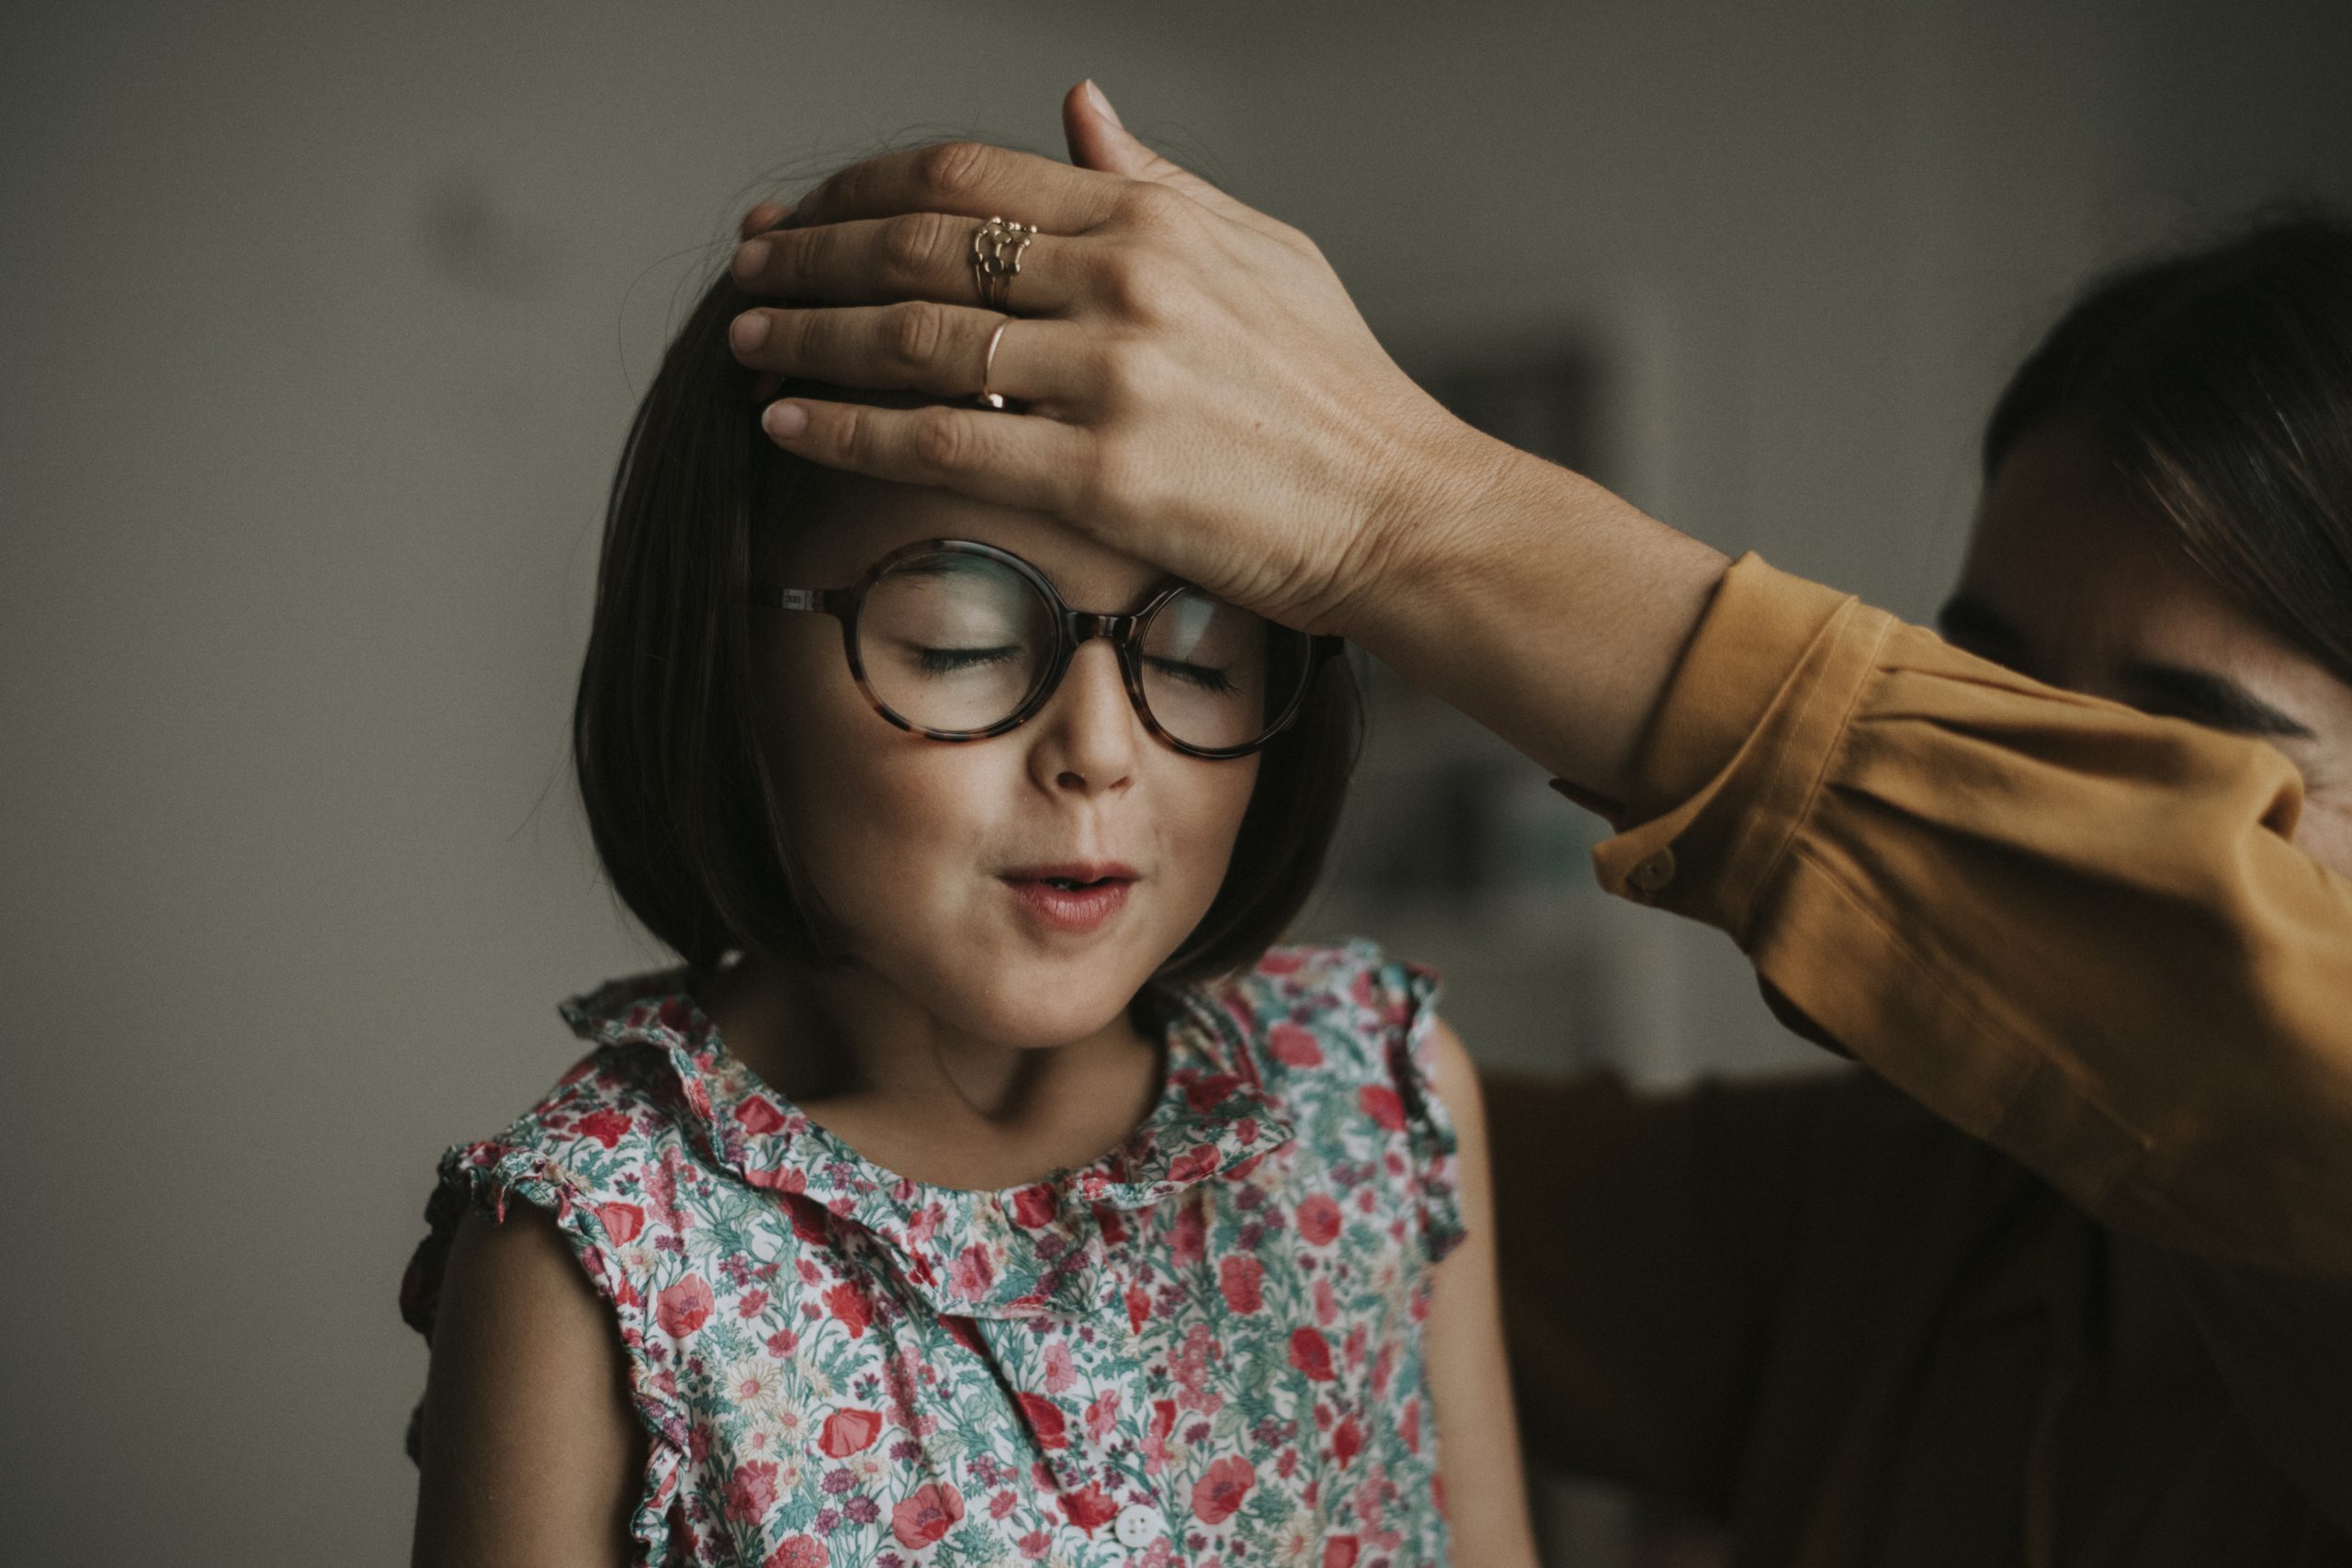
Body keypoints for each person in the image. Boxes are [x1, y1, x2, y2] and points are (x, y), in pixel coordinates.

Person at [714, 82, 2352, 1562]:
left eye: (2179, 771)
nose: (2035, 829)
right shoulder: (1874, 1232)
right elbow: (1266, 1148)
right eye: (1986, 705)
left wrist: (1409, 510)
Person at [398, 219, 1543, 1564]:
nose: (1101, 751)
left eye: (1195, 653)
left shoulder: (1373, 1098)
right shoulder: (594, 1253)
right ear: (729, 658)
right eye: (962, 645)